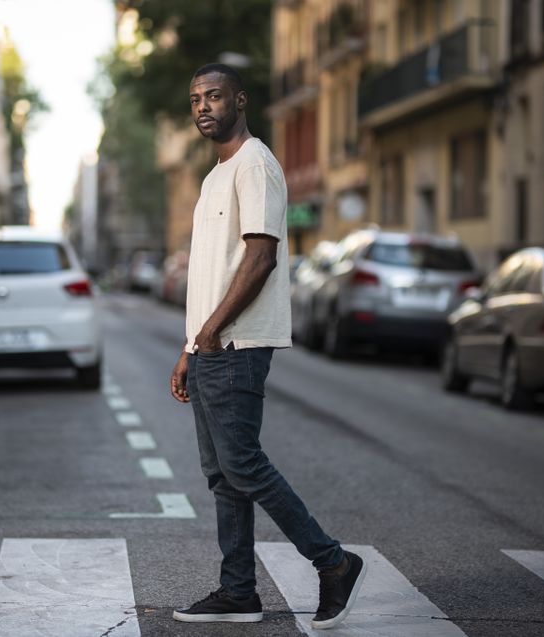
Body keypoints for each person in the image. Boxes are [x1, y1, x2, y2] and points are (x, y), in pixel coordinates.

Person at [169, 63, 366, 630]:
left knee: (244, 465)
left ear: (240, 100)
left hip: (237, 345)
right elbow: (213, 272)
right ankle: (238, 592)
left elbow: (260, 257)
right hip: (210, 347)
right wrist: (189, 346)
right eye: (195, 98)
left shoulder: (256, 164)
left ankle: (332, 562)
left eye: (214, 96)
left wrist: (209, 335)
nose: (204, 106)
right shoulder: (214, 177)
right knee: (223, 476)